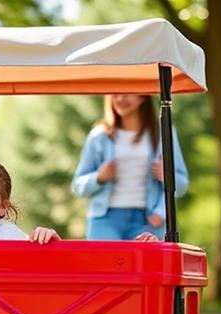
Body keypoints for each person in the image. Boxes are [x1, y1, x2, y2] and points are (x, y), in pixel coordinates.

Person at [71, 94, 189, 240]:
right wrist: (99, 177)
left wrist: (161, 210)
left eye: (127, 93)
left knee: (146, 263)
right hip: (104, 220)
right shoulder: (99, 136)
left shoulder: (163, 133)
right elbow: (77, 186)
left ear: (143, 96)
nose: (120, 99)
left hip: (147, 220)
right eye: (115, 94)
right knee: (104, 263)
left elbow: (182, 185)